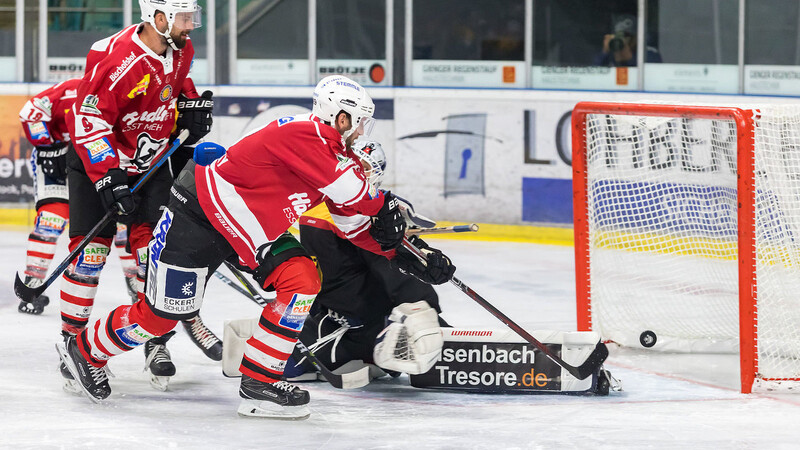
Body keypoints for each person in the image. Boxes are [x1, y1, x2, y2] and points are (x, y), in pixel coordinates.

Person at [59, 75, 455, 420]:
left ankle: (260, 381)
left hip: (249, 230)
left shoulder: (336, 155)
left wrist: (407, 256)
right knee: (160, 317)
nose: (361, 131)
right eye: (359, 122)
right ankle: (85, 350)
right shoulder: (307, 133)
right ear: (340, 115)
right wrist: (382, 204)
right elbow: (353, 193)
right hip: (196, 217)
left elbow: (353, 225)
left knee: (302, 279)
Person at [57, 0, 214, 387]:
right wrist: (108, 175)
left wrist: (187, 108)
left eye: (192, 17)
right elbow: (89, 120)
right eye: (184, 18)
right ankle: (70, 345)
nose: (190, 25)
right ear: (157, 18)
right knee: (89, 257)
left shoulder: (181, 48)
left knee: (155, 255)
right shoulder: (115, 59)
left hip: (152, 164)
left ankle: (156, 340)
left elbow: (175, 86)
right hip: (101, 165)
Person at [285, 141, 450, 382]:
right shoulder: (360, 217)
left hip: (337, 318)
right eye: (351, 164)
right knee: (425, 326)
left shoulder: (313, 203)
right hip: (361, 326)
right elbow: (397, 274)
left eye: (363, 167)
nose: (356, 173)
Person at [594, 14, 662, 67]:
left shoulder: (648, 52)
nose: (623, 38)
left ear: (637, 36)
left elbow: (653, 73)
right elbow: (592, 72)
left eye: (626, 35)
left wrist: (630, 59)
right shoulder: (611, 52)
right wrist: (604, 52)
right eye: (618, 35)